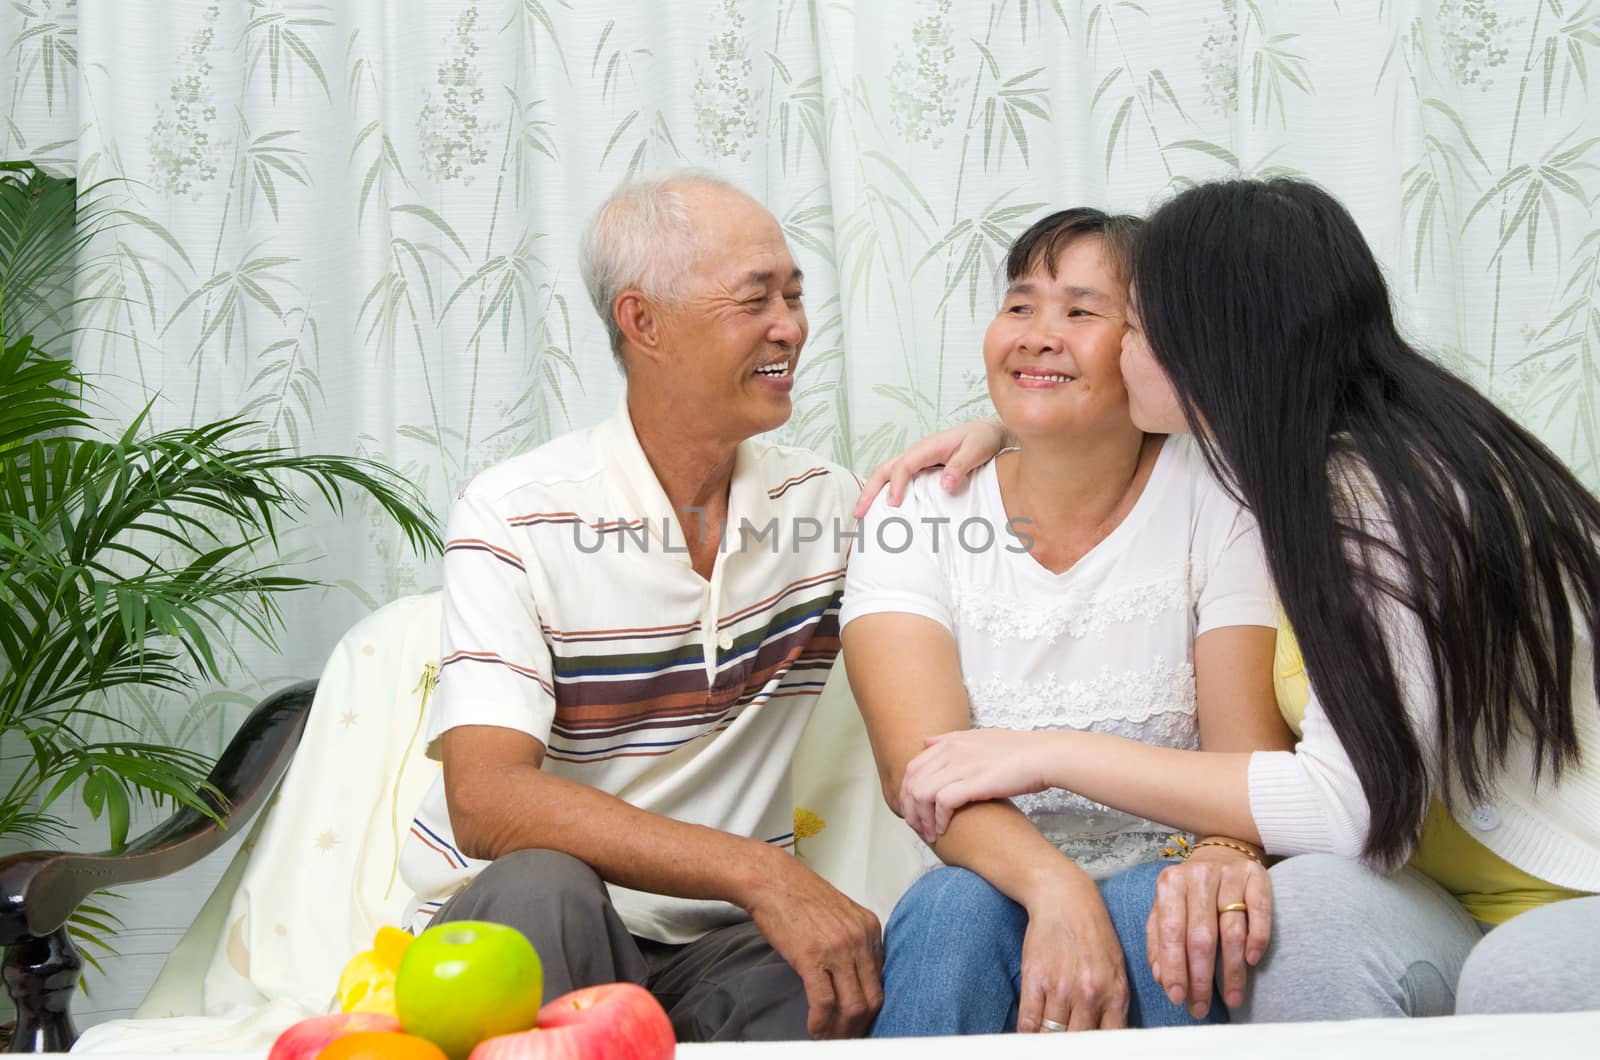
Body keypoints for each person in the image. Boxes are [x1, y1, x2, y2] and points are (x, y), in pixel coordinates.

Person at [891, 178, 1600, 1019]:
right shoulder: (1278, 466)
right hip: (1443, 890)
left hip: (1570, 883)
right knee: (1301, 917)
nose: (1108, 350)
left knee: (1519, 978)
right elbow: (1100, 447)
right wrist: (1008, 431)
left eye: (1134, 327)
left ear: (1213, 344)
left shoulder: (1378, 497)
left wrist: (1048, 751)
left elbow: (1344, 806)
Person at [396, 171, 895, 1042]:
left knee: (828, 972)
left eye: (794, 294)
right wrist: (759, 871)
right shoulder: (516, 512)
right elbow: (486, 799)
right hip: (543, 932)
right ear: (643, 322)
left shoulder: (825, 504)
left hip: (717, 943)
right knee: (540, 883)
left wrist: (999, 433)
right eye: (756, 299)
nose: (791, 327)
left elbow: (1005, 536)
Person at [840, 207, 1295, 1037]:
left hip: (1175, 870)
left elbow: (1247, 763)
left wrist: (1217, 860)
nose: (1037, 336)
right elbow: (921, 774)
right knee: (952, 911)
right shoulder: (914, 512)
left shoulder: (1221, 499)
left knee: (1160, 907)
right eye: (1020, 306)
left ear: (1149, 346)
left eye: (1081, 312)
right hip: (986, 878)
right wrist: (1056, 888)